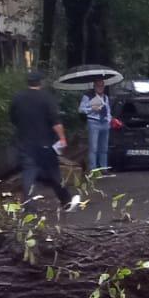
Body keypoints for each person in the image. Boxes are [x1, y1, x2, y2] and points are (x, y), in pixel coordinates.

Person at [8, 70, 77, 211]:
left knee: (29, 173)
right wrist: (62, 138)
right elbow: (55, 121)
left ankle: (29, 206)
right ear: (41, 82)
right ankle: (67, 201)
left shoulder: (18, 98)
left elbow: (13, 118)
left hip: (25, 143)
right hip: (45, 144)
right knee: (54, 173)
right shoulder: (46, 98)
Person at [78, 77, 113, 173]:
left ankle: (103, 168)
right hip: (94, 122)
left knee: (104, 148)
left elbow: (108, 110)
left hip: (104, 123)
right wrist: (92, 109)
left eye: (102, 85)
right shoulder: (88, 96)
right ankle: (93, 169)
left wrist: (109, 120)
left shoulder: (105, 97)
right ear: (94, 86)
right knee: (93, 147)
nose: (100, 87)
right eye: (98, 85)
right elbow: (81, 109)